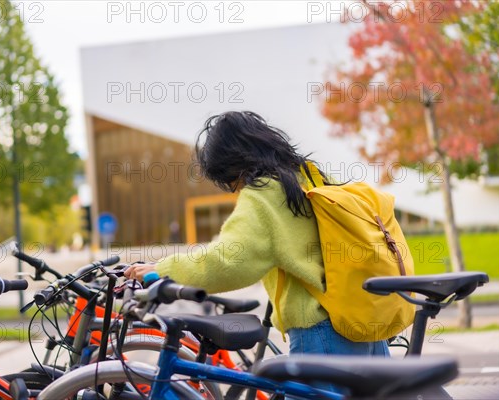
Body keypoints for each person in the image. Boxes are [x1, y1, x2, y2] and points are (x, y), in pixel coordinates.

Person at [125, 111, 389, 375]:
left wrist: (162, 270)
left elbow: (228, 261)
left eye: (228, 180)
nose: (234, 188)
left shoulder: (266, 192)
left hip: (323, 335)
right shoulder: (309, 175)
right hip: (362, 323)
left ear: (230, 163)